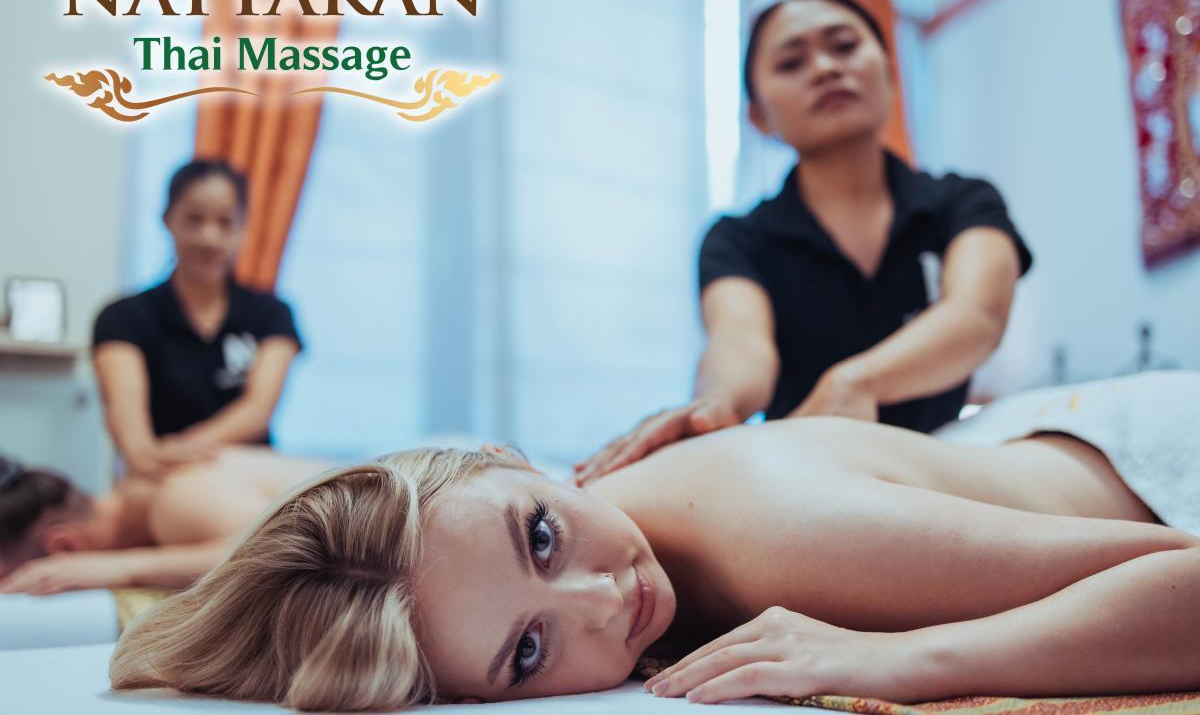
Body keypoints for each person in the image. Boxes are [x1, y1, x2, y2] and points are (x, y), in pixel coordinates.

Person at [109, 372, 1200, 711]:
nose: (600, 603)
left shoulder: (789, 537)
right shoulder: (600, 502)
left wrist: (909, 658)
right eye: (526, 654)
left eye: (541, 533)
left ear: (515, 455)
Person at [575, 0, 1032, 485]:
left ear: (890, 72)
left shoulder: (962, 201)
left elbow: (977, 316)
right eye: (791, 62)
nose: (824, 68)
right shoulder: (737, 240)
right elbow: (740, 346)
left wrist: (854, 382)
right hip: (811, 480)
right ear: (759, 116)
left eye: (844, 46)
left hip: (951, 464)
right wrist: (714, 405)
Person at [92, 159, 303, 479]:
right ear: (167, 219)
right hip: (158, 478)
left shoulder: (271, 314)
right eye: (194, 218)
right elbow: (133, 438)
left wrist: (177, 451)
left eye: (225, 221)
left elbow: (257, 412)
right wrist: (151, 457)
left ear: (243, 226)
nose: (209, 237)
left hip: (247, 472)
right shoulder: (123, 318)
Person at [0, 449, 331, 594]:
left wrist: (118, 567)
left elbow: (274, 550)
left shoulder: (175, 497)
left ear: (63, 548)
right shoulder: (144, 500)